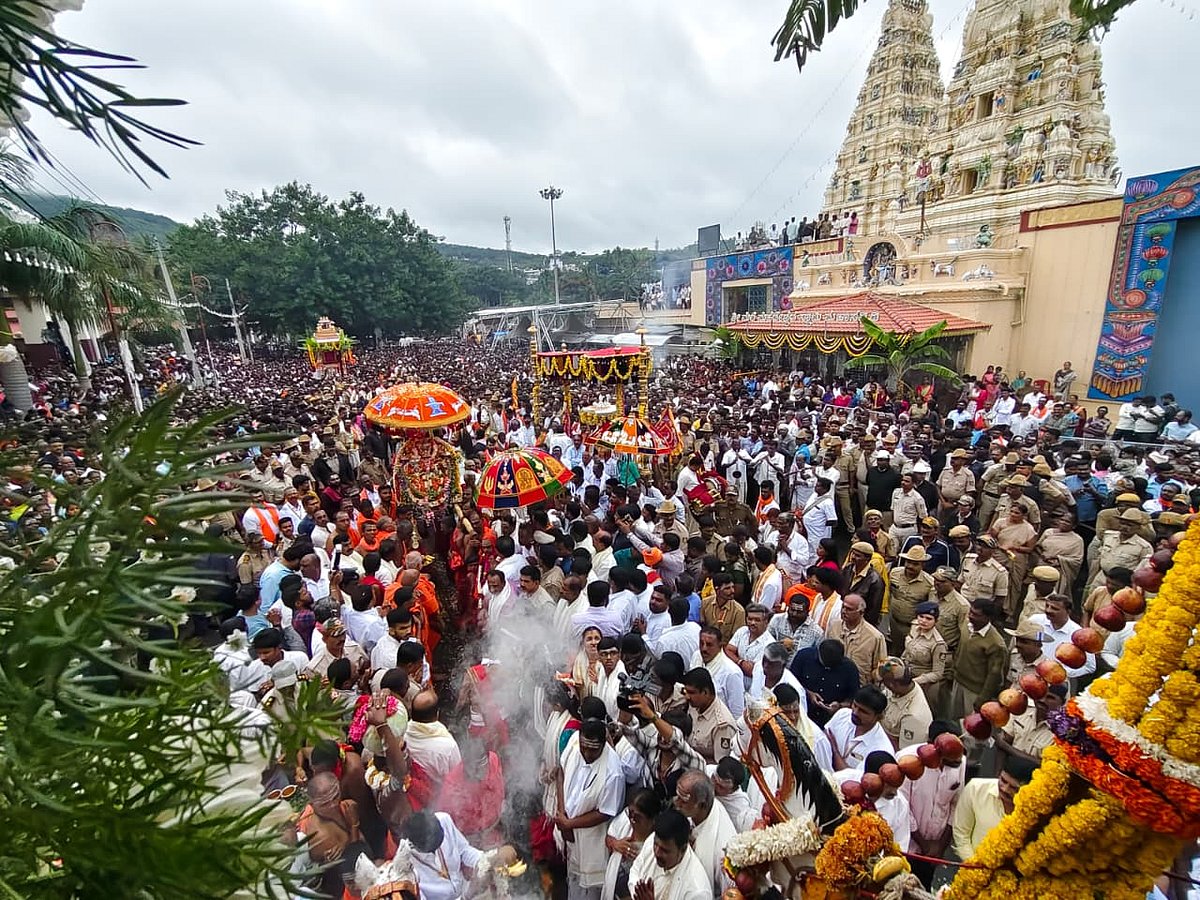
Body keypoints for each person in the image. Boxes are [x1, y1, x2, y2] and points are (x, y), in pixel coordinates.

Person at [558, 718, 625, 900]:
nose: (587, 753)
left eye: (593, 750)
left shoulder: (614, 772)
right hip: (570, 833)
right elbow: (560, 771)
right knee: (572, 880)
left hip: (594, 840)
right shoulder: (574, 744)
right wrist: (561, 812)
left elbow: (605, 812)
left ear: (604, 744)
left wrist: (570, 823)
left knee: (590, 892)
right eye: (584, 747)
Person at [951, 757, 1037, 861]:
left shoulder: (1035, 809)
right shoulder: (976, 789)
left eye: (1013, 788)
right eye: (1003, 781)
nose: (1005, 789)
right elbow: (961, 832)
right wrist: (972, 864)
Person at [672, 769, 736, 895]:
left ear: (702, 805)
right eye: (677, 797)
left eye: (683, 801)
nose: (676, 803)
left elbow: (729, 893)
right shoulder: (695, 811)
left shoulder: (722, 847)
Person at [627, 810, 711, 900]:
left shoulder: (697, 891)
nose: (657, 852)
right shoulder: (654, 840)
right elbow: (636, 870)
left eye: (665, 851)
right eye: (655, 845)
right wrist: (638, 894)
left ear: (682, 850)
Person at [603, 789, 662, 900]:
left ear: (653, 819)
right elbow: (608, 837)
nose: (631, 819)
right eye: (630, 813)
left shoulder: (656, 847)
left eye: (637, 817)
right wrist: (614, 843)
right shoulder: (625, 821)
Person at [791, 638, 861, 727]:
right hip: (802, 715)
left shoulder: (850, 669)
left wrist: (840, 706)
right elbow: (790, 683)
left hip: (831, 722)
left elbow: (853, 698)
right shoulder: (804, 657)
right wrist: (807, 693)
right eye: (825, 664)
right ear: (819, 653)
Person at [824, 685, 892, 772]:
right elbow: (824, 740)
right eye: (855, 705)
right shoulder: (843, 714)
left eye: (863, 711)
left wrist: (834, 750)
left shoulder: (881, 750)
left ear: (878, 717)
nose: (855, 712)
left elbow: (852, 779)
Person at [680, 667, 738, 765]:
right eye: (686, 692)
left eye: (691, 693)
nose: (687, 697)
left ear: (705, 692)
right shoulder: (694, 704)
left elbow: (720, 764)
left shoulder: (722, 724)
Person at [826, 592, 886, 683]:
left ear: (861, 612)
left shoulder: (875, 637)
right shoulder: (834, 626)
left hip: (859, 686)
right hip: (833, 680)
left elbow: (881, 667)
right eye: (843, 607)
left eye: (849, 609)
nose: (844, 611)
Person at [903, 600, 950, 712]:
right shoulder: (914, 627)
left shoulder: (938, 644)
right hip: (908, 675)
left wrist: (915, 682)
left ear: (935, 621)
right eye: (921, 616)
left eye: (929, 619)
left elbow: (937, 674)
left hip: (925, 685)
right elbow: (908, 650)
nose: (923, 621)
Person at [877, 657, 933, 750]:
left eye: (883, 681)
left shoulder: (914, 716)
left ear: (892, 684)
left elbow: (905, 753)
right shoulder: (896, 688)